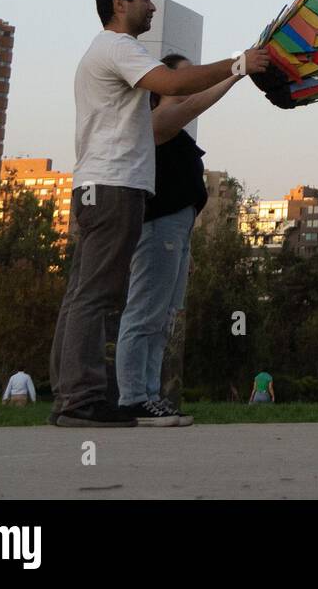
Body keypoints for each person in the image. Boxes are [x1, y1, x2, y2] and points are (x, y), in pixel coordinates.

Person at [49, 0, 269, 428]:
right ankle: (83, 400)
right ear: (119, 5)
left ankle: (76, 396)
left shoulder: (107, 50)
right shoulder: (117, 47)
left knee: (84, 294)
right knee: (98, 296)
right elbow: (172, 88)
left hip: (105, 185)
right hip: (113, 186)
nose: (152, 6)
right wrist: (237, 65)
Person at [115, 53, 241, 428]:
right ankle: (133, 398)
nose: (192, 85)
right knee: (144, 313)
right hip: (158, 228)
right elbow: (195, 101)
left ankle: (149, 396)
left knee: (163, 318)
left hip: (175, 232)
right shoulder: (155, 121)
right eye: (185, 79)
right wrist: (235, 73)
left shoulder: (173, 127)